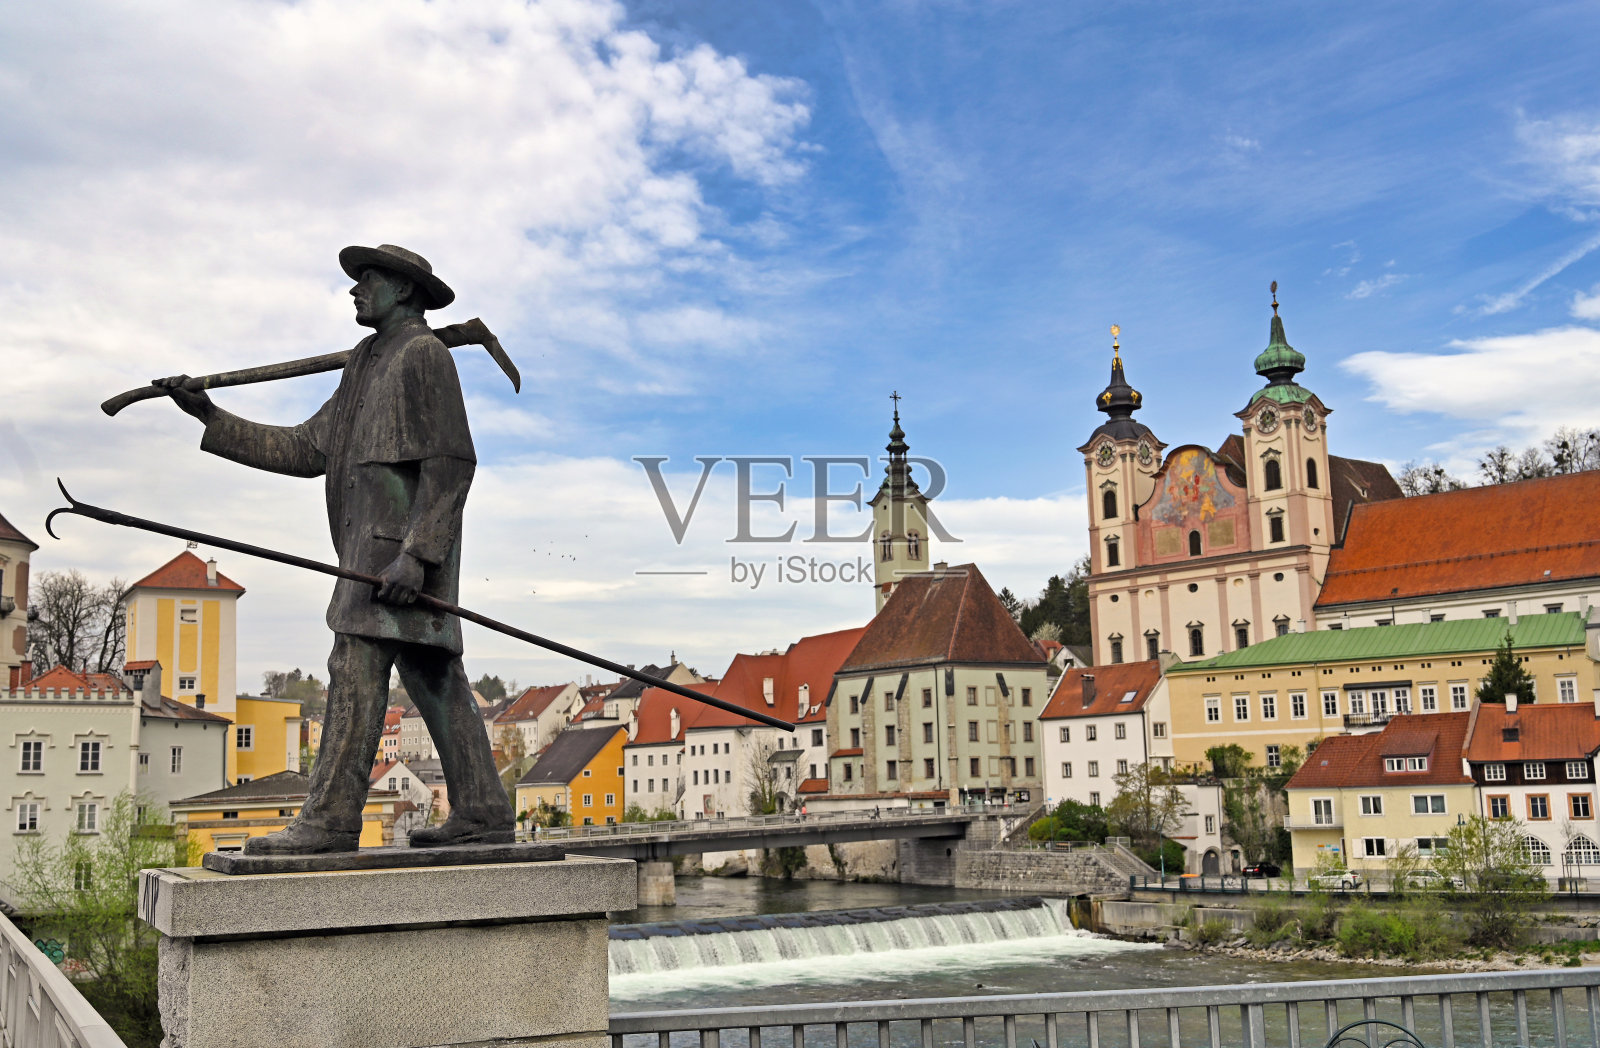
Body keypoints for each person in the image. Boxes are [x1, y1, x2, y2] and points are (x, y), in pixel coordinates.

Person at [157, 245, 514, 854]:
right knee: (432, 677)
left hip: (394, 559)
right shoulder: (364, 365)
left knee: (353, 669)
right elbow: (304, 449)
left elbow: (452, 464)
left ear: (403, 290)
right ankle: (481, 808)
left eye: (366, 280)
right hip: (373, 553)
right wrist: (209, 416)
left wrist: (418, 555)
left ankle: (329, 819)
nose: (354, 290)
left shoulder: (423, 356)